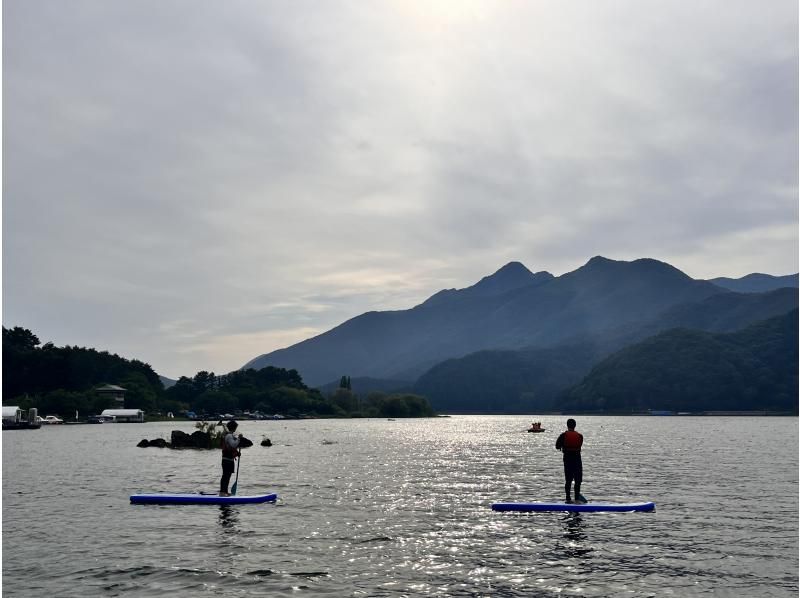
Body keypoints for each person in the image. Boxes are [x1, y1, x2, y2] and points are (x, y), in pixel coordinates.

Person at [555, 418, 586, 504]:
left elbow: (557, 446)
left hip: (568, 459)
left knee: (568, 480)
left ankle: (568, 499)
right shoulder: (580, 436)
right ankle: (577, 499)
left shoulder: (563, 435)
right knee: (578, 480)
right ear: (575, 426)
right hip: (577, 459)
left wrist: (563, 446)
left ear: (567, 425)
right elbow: (580, 445)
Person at [219, 420, 241, 496]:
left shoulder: (230, 436)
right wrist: (239, 439)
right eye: (236, 427)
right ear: (234, 428)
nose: (236, 429)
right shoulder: (229, 436)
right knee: (225, 476)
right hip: (226, 460)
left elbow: (232, 447)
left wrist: (237, 453)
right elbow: (233, 445)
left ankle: (225, 491)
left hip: (229, 460)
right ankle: (222, 492)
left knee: (228, 476)